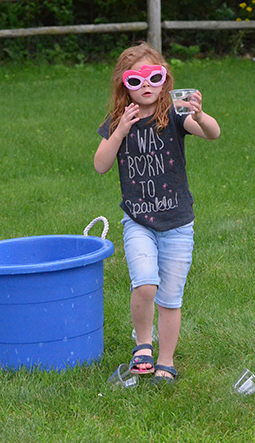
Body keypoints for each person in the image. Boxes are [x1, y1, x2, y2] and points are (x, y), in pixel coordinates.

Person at [94, 42, 220, 385]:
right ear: (125, 85)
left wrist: (200, 116)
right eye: (136, 80)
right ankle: (143, 346)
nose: (146, 85)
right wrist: (120, 130)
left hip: (178, 223)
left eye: (154, 77)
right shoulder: (118, 121)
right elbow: (101, 165)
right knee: (146, 284)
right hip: (138, 222)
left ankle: (166, 361)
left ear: (165, 81)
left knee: (170, 298)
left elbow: (212, 133)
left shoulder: (176, 115)